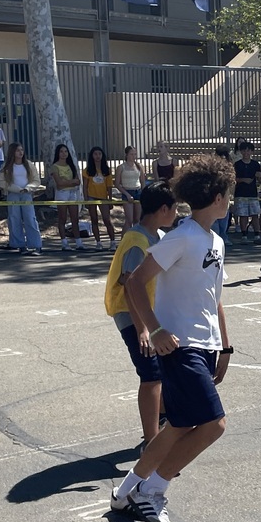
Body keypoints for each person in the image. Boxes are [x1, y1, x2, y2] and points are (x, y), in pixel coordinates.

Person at [109, 153, 236, 522]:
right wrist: (155, 329)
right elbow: (133, 282)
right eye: (227, 193)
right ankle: (153, 491)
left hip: (205, 344)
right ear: (216, 196)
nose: (230, 199)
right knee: (213, 424)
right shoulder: (180, 237)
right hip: (178, 346)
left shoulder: (214, 240)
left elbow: (214, 297)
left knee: (179, 425)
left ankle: (127, 489)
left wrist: (225, 346)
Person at [104, 181, 178, 449]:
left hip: (145, 316)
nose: (177, 214)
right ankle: (152, 442)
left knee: (160, 372)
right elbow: (129, 286)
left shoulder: (153, 236)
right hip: (130, 315)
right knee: (151, 375)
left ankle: (160, 421)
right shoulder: (137, 241)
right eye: (174, 208)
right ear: (162, 209)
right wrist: (142, 329)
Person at [0, 142, 42, 254]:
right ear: (12, 152)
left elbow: (36, 180)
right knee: (14, 219)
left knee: (30, 218)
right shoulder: (6, 166)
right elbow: (1, 182)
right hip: (13, 194)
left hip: (26, 194)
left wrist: (28, 188)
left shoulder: (29, 164)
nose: (20, 152)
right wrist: (16, 189)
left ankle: (36, 245)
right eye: (17, 150)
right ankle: (19, 244)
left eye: (21, 150)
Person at [234, 141, 261, 244]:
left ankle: (256, 234)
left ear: (252, 152)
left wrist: (260, 177)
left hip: (253, 193)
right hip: (240, 193)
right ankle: (244, 234)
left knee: (255, 214)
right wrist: (243, 180)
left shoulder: (255, 164)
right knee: (243, 215)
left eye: (249, 150)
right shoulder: (237, 164)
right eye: (244, 150)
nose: (246, 152)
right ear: (241, 151)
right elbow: (233, 178)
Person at [51, 143, 84, 250]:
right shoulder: (55, 166)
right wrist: (71, 182)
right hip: (62, 194)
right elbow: (59, 183)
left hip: (72, 193)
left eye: (65, 151)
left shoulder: (71, 165)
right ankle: (64, 243)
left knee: (75, 218)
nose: (64, 154)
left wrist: (67, 182)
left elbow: (78, 181)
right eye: (61, 151)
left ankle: (79, 243)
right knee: (62, 218)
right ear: (58, 153)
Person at [83, 146, 117, 250]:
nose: (98, 156)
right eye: (95, 154)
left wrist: (110, 199)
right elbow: (85, 186)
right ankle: (98, 242)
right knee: (94, 219)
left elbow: (109, 186)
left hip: (103, 198)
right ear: (92, 156)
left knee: (107, 220)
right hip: (91, 197)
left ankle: (112, 242)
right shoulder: (87, 170)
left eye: (99, 154)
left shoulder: (106, 170)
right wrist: (86, 200)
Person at [115, 145, 146, 233]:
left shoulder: (139, 166)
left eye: (135, 154)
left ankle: (135, 240)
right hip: (127, 192)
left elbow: (142, 181)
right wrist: (127, 194)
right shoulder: (121, 167)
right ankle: (123, 242)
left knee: (137, 219)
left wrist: (143, 193)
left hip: (138, 191)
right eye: (131, 154)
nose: (133, 156)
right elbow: (117, 184)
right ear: (127, 155)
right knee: (129, 220)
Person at [212, 145, 232, 242]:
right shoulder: (212, 166)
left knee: (224, 218)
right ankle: (216, 238)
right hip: (214, 194)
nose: (223, 158)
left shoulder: (229, 166)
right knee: (214, 219)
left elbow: (231, 181)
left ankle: (223, 236)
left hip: (225, 194)